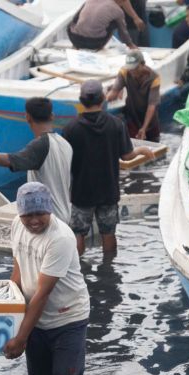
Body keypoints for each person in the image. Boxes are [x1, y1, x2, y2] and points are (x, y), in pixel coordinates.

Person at [4, 182, 91, 375]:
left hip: (68, 316)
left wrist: (20, 337)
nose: (33, 221)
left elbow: (43, 293)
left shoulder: (61, 238)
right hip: (34, 318)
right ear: (19, 214)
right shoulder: (17, 226)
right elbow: (18, 264)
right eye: (27, 215)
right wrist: (11, 307)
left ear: (50, 210)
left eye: (39, 214)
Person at [62, 80, 154, 256]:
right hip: (108, 190)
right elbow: (126, 156)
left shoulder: (70, 129)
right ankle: (109, 268)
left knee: (78, 233)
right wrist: (141, 150)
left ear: (81, 101)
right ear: (103, 99)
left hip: (82, 191)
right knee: (108, 233)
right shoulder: (116, 124)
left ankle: (76, 270)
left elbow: (65, 161)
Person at [0, 97, 73, 223]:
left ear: (27, 117)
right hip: (65, 215)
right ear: (52, 116)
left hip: (49, 218)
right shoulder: (65, 144)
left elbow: (11, 160)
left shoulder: (40, 145)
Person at [106, 50, 161, 142]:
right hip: (132, 115)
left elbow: (151, 106)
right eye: (130, 68)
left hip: (150, 119)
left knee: (154, 144)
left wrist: (144, 128)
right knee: (131, 143)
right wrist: (102, 101)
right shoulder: (124, 72)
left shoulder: (154, 78)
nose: (132, 71)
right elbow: (114, 91)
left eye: (135, 68)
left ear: (143, 64)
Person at [67, 0, 138, 51]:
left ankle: (76, 46)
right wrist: (130, 44)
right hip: (95, 43)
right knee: (115, 21)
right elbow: (123, 32)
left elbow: (75, 18)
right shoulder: (118, 11)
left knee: (73, 22)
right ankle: (100, 47)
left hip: (75, 40)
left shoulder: (89, 1)